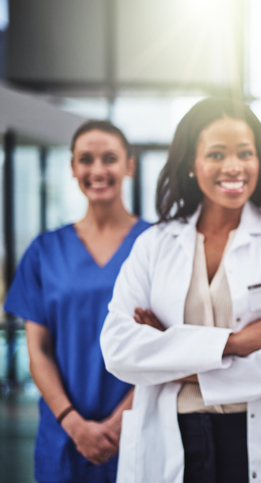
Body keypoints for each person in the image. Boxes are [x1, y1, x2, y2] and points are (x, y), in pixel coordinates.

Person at [100, 98, 261, 483]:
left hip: (257, 438)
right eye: (216, 154)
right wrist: (234, 343)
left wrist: (170, 359)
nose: (234, 166)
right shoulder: (155, 244)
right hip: (174, 437)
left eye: (245, 152)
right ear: (192, 163)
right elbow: (119, 349)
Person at [4, 120, 149, 483]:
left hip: (137, 428)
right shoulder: (44, 251)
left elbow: (165, 344)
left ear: (129, 165)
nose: (97, 170)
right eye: (86, 159)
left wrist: (119, 423)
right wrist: (73, 423)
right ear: (72, 167)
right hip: (64, 435)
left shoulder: (156, 245)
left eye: (110, 158)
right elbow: (38, 350)